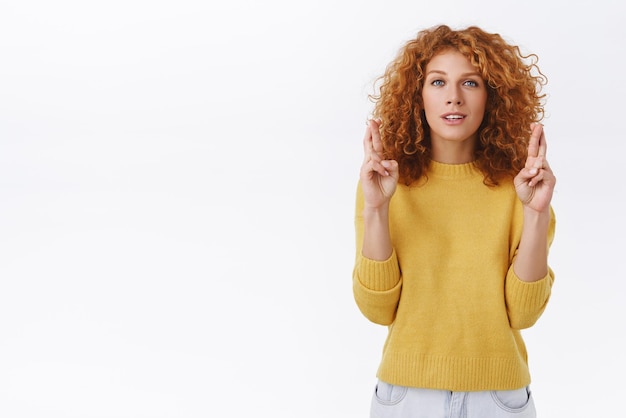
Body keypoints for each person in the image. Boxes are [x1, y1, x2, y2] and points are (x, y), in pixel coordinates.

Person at [352, 24, 556, 418]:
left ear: (492, 97)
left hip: (499, 397)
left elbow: (524, 315)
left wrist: (535, 214)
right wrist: (376, 209)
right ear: (418, 95)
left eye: (471, 83)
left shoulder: (521, 189)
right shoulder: (384, 185)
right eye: (438, 81)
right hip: (407, 396)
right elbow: (377, 310)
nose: (453, 98)